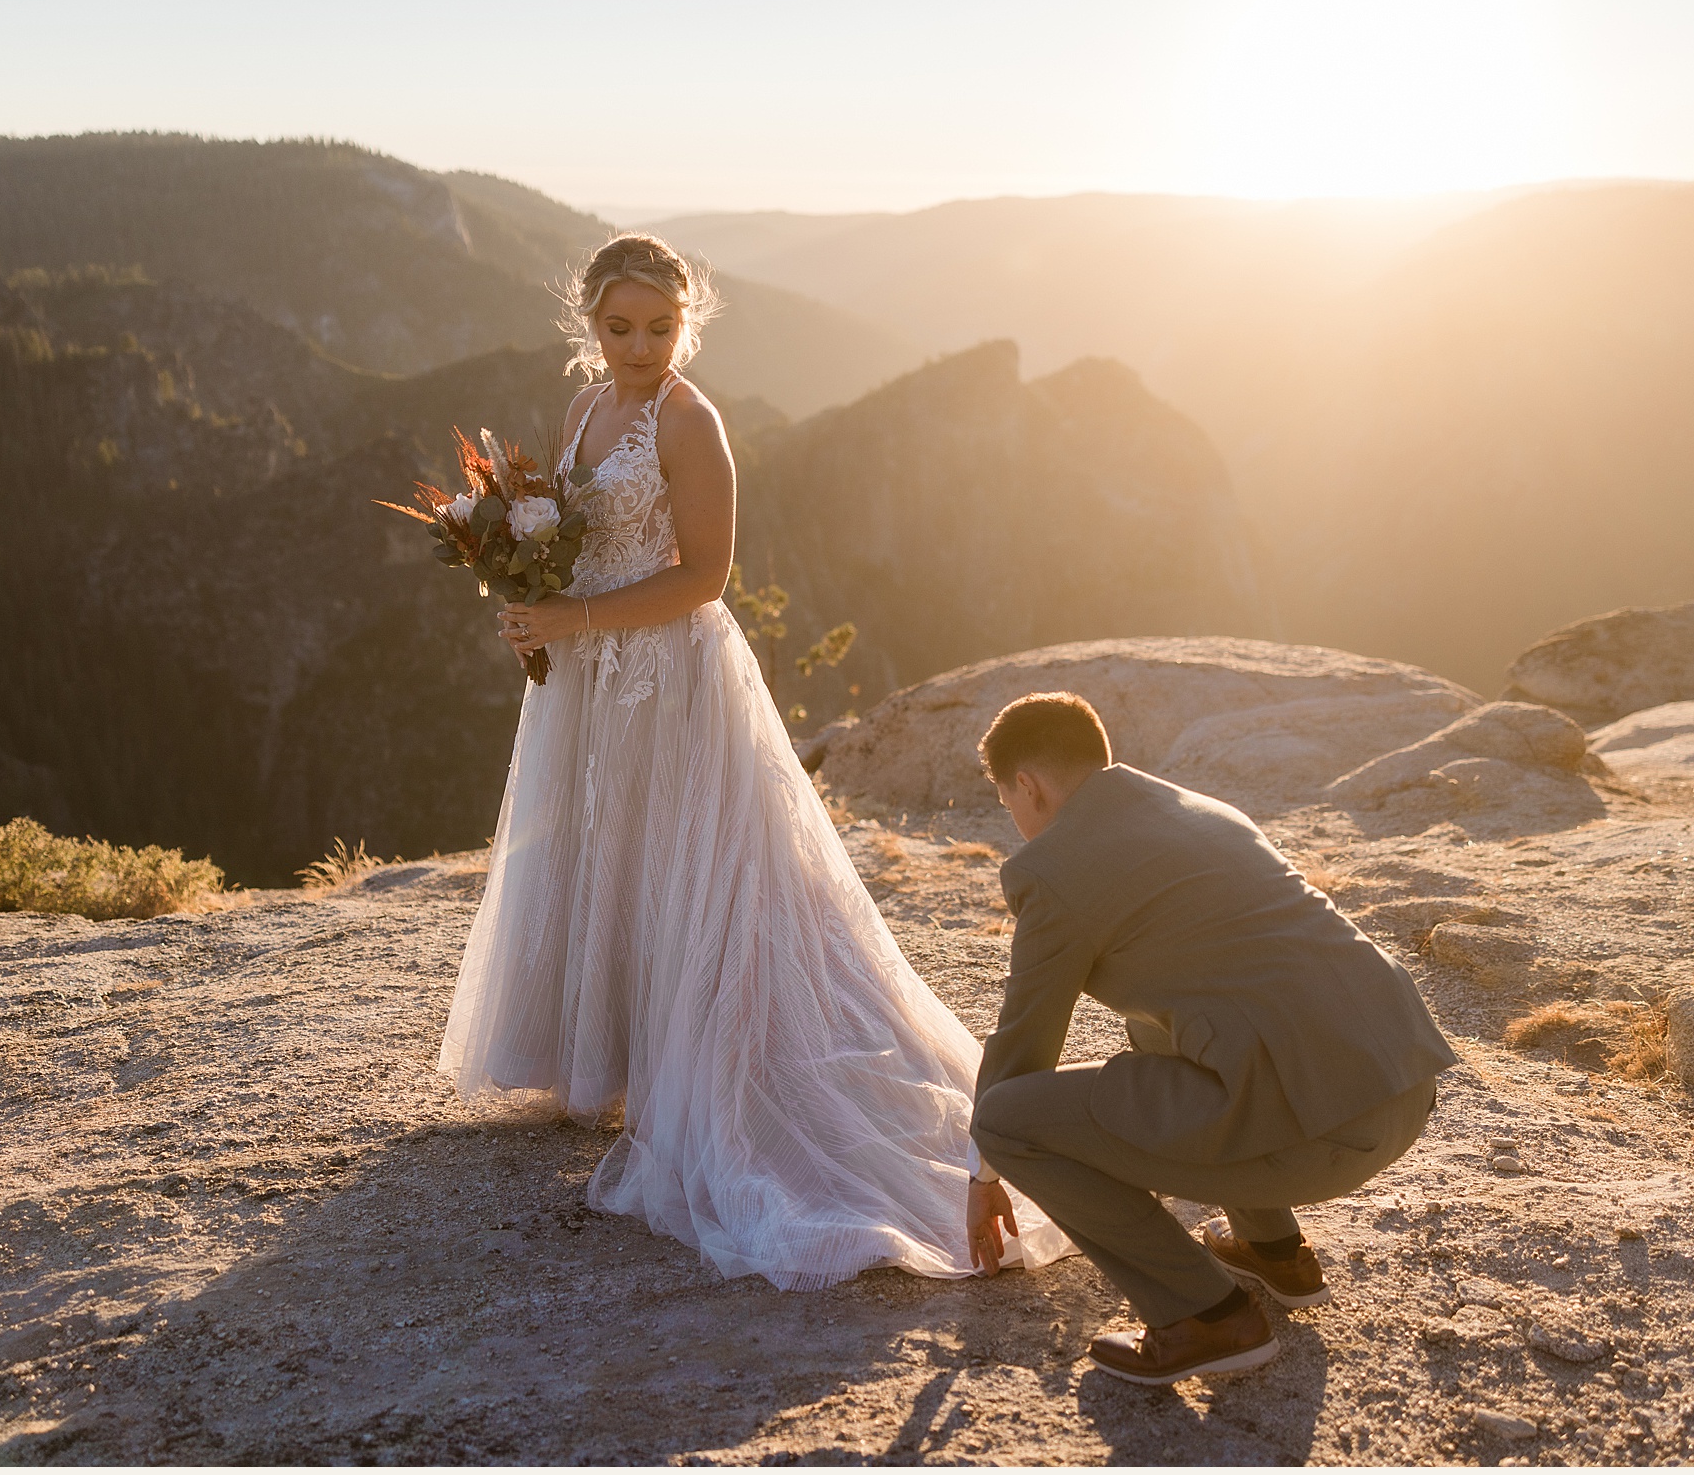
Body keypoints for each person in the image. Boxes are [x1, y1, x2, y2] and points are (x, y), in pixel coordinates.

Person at [436, 233, 1072, 1289]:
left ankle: (721, 1072)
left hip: (671, 675)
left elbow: (704, 578)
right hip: (591, 674)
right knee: (611, 848)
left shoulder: (692, 421)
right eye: (618, 327)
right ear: (587, 326)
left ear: (688, 322)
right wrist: (538, 613)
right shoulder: (587, 410)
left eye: (659, 326)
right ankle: (621, 1054)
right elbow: (576, 540)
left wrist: (574, 613)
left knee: (693, 863)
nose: (639, 346)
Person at [961, 691, 1458, 1385]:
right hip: (1403, 1085)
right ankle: (1277, 1252)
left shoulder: (1055, 869)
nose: (1013, 821)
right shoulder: (1200, 810)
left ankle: (1205, 1315)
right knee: (1158, 1025)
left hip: (1325, 1137)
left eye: (1005, 803)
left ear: (1028, 785)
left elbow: (1021, 1050)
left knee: (1006, 1120)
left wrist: (984, 1176)